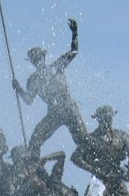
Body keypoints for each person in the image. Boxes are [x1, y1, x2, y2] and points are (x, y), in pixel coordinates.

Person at [12, 18, 87, 154]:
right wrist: (19, 89)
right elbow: (28, 100)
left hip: (67, 108)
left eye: (38, 57)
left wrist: (75, 33)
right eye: (35, 59)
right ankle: (33, 164)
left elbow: (74, 51)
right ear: (33, 61)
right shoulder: (35, 78)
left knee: (83, 141)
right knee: (35, 139)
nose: (37, 60)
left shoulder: (56, 66)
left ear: (43, 58)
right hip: (54, 112)